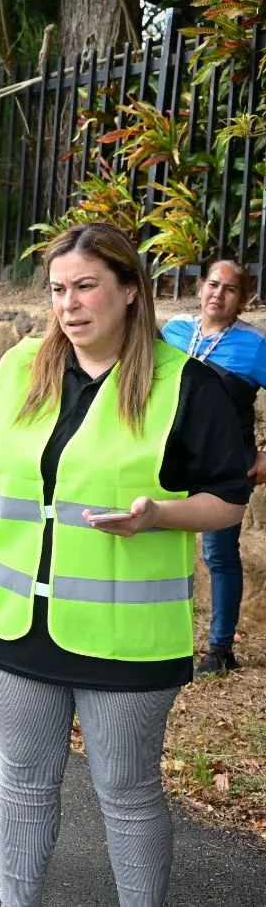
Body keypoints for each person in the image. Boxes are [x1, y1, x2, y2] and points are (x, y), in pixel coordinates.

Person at [0, 223, 247, 907]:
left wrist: (159, 516)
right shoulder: (18, 370)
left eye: (85, 287)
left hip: (126, 639)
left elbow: (227, 500)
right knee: (22, 779)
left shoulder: (186, 386)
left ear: (130, 292)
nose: (68, 305)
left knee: (127, 792)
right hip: (20, 627)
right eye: (56, 290)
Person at [160, 260, 266, 674]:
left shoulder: (254, 347)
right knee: (166, 546)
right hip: (171, 460)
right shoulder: (174, 333)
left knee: (219, 554)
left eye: (230, 289)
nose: (218, 294)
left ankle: (220, 649)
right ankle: (168, 638)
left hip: (227, 465)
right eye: (212, 284)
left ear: (244, 299)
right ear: (200, 287)